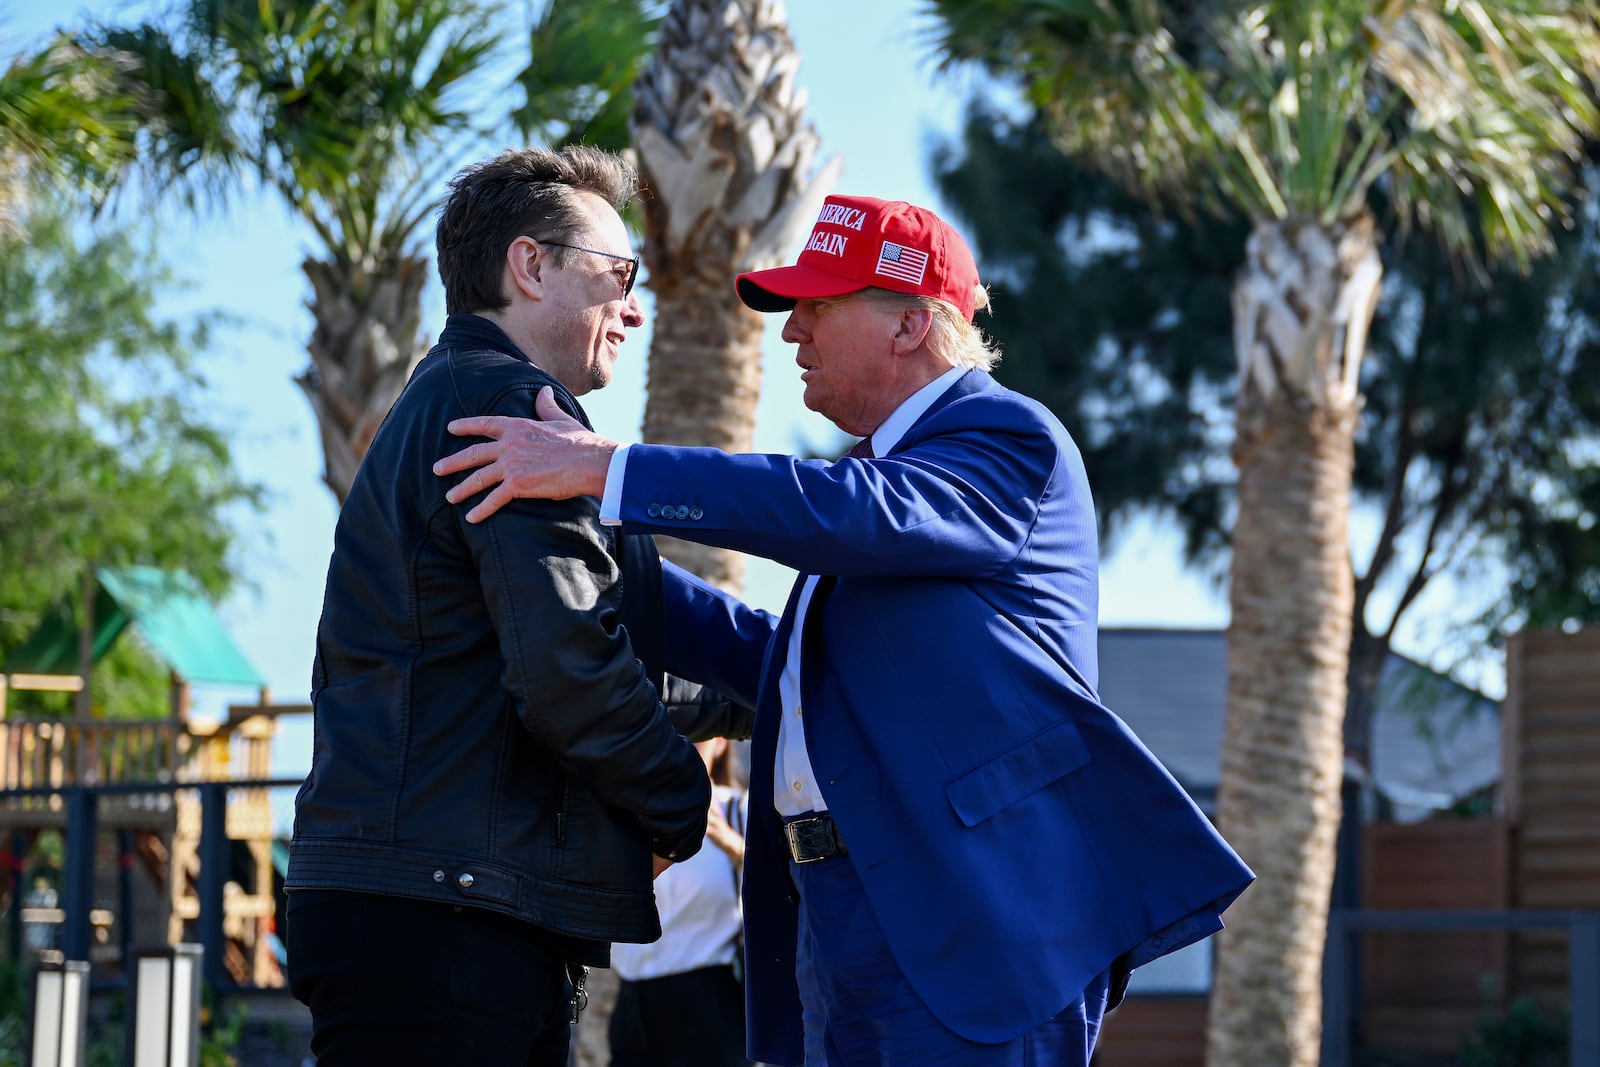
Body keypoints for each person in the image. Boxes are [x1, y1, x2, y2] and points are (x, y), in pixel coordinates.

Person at [433, 194, 1256, 1066]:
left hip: (970, 918)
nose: (794, 331)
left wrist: (607, 470)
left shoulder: (1010, 437)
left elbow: (852, 514)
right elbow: (778, 661)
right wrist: (592, 548)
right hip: (843, 921)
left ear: (909, 323)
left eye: (818, 305)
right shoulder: (870, 484)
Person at [284, 145, 716, 1067]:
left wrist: (756, 686)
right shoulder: (516, 414)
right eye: (617, 273)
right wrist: (683, 802)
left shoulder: (446, 395)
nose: (632, 307)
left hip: (419, 904)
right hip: (448, 923)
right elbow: (569, 671)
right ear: (531, 265)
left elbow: (552, 642)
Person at [608, 736, 752, 1067]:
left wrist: (731, 843)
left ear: (721, 744)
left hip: (707, 1002)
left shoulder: (739, 811)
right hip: (630, 1003)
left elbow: (782, 892)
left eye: (699, 736)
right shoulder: (625, 813)